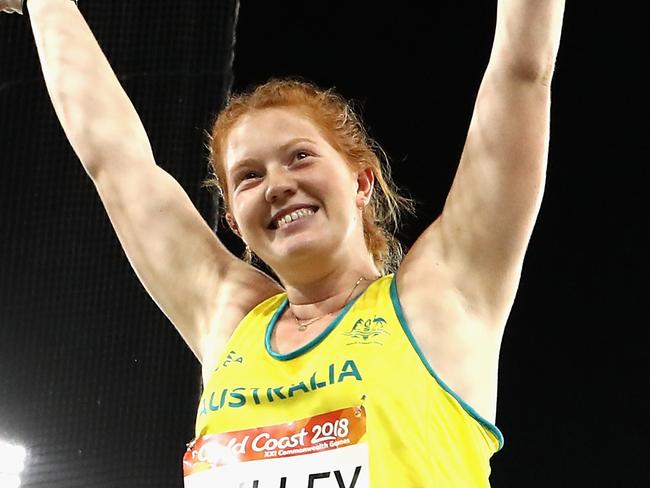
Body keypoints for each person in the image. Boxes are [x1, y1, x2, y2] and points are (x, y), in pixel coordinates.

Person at [2, 0, 566, 485]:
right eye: (248, 176)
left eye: (300, 155)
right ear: (232, 217)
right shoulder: (229, 316)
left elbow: (521, 71)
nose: (277, 185)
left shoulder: (440, 297)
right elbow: (115, 162)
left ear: (361, 180)